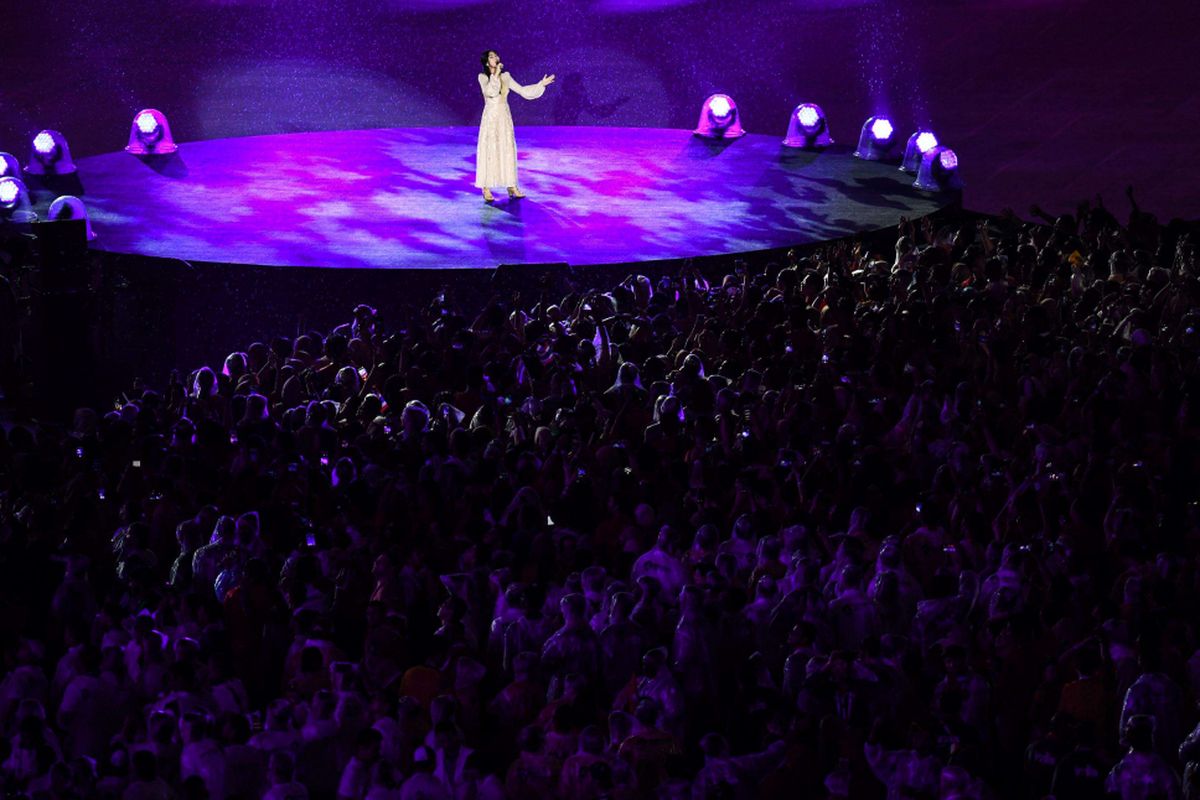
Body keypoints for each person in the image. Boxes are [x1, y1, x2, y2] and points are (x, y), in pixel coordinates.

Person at [475, 49, 555, 203]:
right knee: (489, 148)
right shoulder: (483, 77)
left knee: (507, 149)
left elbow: (523, 91)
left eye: (496, 55)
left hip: (504, 116)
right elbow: (491, 92)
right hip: (490, 117)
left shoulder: (506, 76)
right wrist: (496, 74)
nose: (496, 58)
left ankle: (511, 185)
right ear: (487, 62)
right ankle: (486, 187)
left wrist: (541, 84)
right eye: (492, 57)